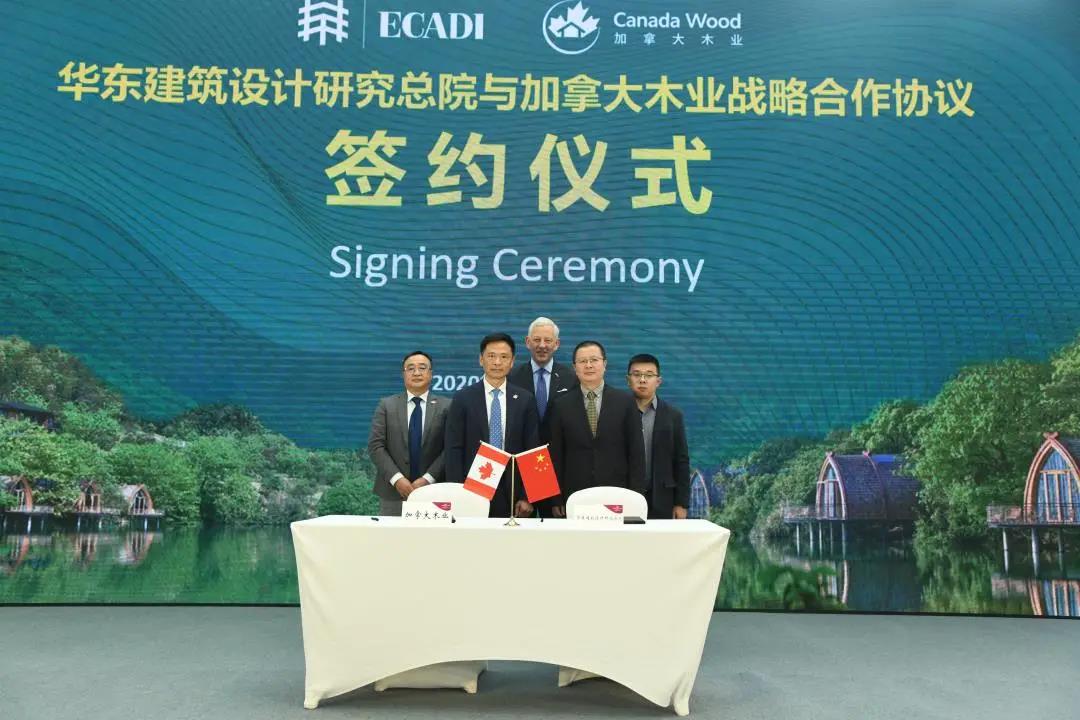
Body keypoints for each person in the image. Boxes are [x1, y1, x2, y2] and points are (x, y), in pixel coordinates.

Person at [444, 333, 540, 518]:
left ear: (512, 362)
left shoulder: (525, 399)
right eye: (491, 356)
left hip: (513, 490)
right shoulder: (463, 398)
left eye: (504, 357)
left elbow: (533, 449)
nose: (497, 362)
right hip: (472, 488)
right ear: (481, 360)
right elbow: (453, 449)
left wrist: (528, 496)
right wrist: (457, 492)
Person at [547, 341, 646, 517]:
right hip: (575, 495)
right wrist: (556, 499)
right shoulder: (561, 405)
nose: (589, 365)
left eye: (594, 360)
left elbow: (636, 453)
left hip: (617, 493)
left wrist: (635, 496)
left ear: (604, 364)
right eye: (582, 361)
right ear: (575, 367)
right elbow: (555, 455)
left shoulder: (625, 402)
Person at [367, 350, 451, 516]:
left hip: (435, 491)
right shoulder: (386, 405)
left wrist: (428, 479)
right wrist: (397, 479)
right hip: (393, 493)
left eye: (422, 368)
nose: (416, 373)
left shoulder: (447, 406)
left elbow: (450, 448)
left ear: (431, 373)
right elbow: (376, 446)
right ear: (403, 374)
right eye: (411, 368)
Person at [626, 354, 690, 519]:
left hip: (663, 499)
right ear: (628, 380)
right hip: (625, 498)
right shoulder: (617, 412)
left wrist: (681, 503)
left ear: (658, 381)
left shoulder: (673, 416)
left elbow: (681, 461)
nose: (642, 380)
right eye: (637, 374)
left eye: (649, 375)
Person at [509, 316, 579, 443]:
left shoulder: (571, 378)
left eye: (548, 340)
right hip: (523, 450)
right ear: (527, 342)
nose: (542, 345)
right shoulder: (512, 377)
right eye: (537, 340)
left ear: (556, 344)